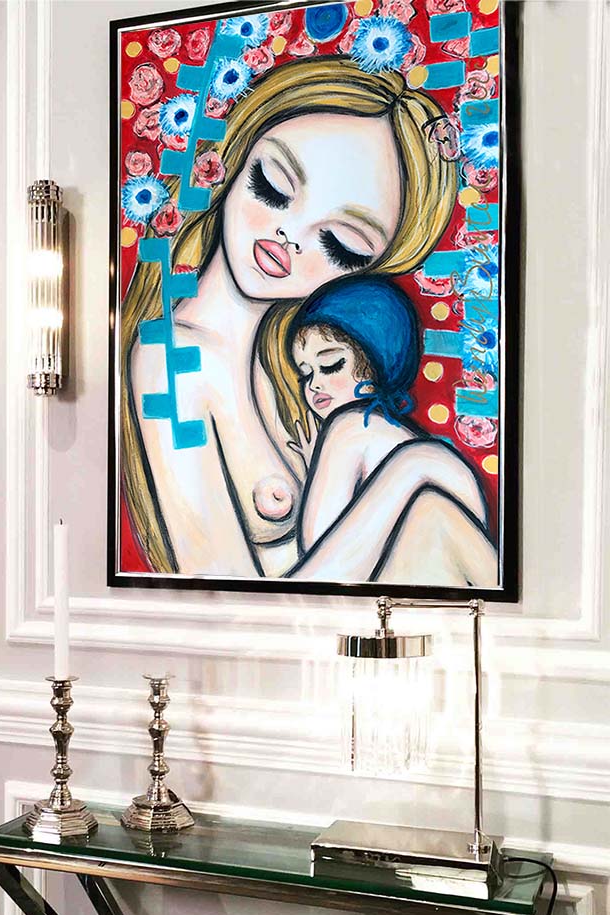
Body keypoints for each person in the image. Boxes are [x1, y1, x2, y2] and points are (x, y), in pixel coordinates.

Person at [121, 56, 458, 578]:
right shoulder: (172, 359)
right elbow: (219, 588)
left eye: (340, 244)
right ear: (231, 164)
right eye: (274, 187)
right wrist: (412, 470)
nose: (290, 237)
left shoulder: (301, 369)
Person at [257, 276, 497, 587]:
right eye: (305, 374)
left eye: (331, 365)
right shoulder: (399, 438)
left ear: (376, 360)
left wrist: (318, 470)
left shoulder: (350, 427)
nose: (314, 384)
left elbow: (320, 553)